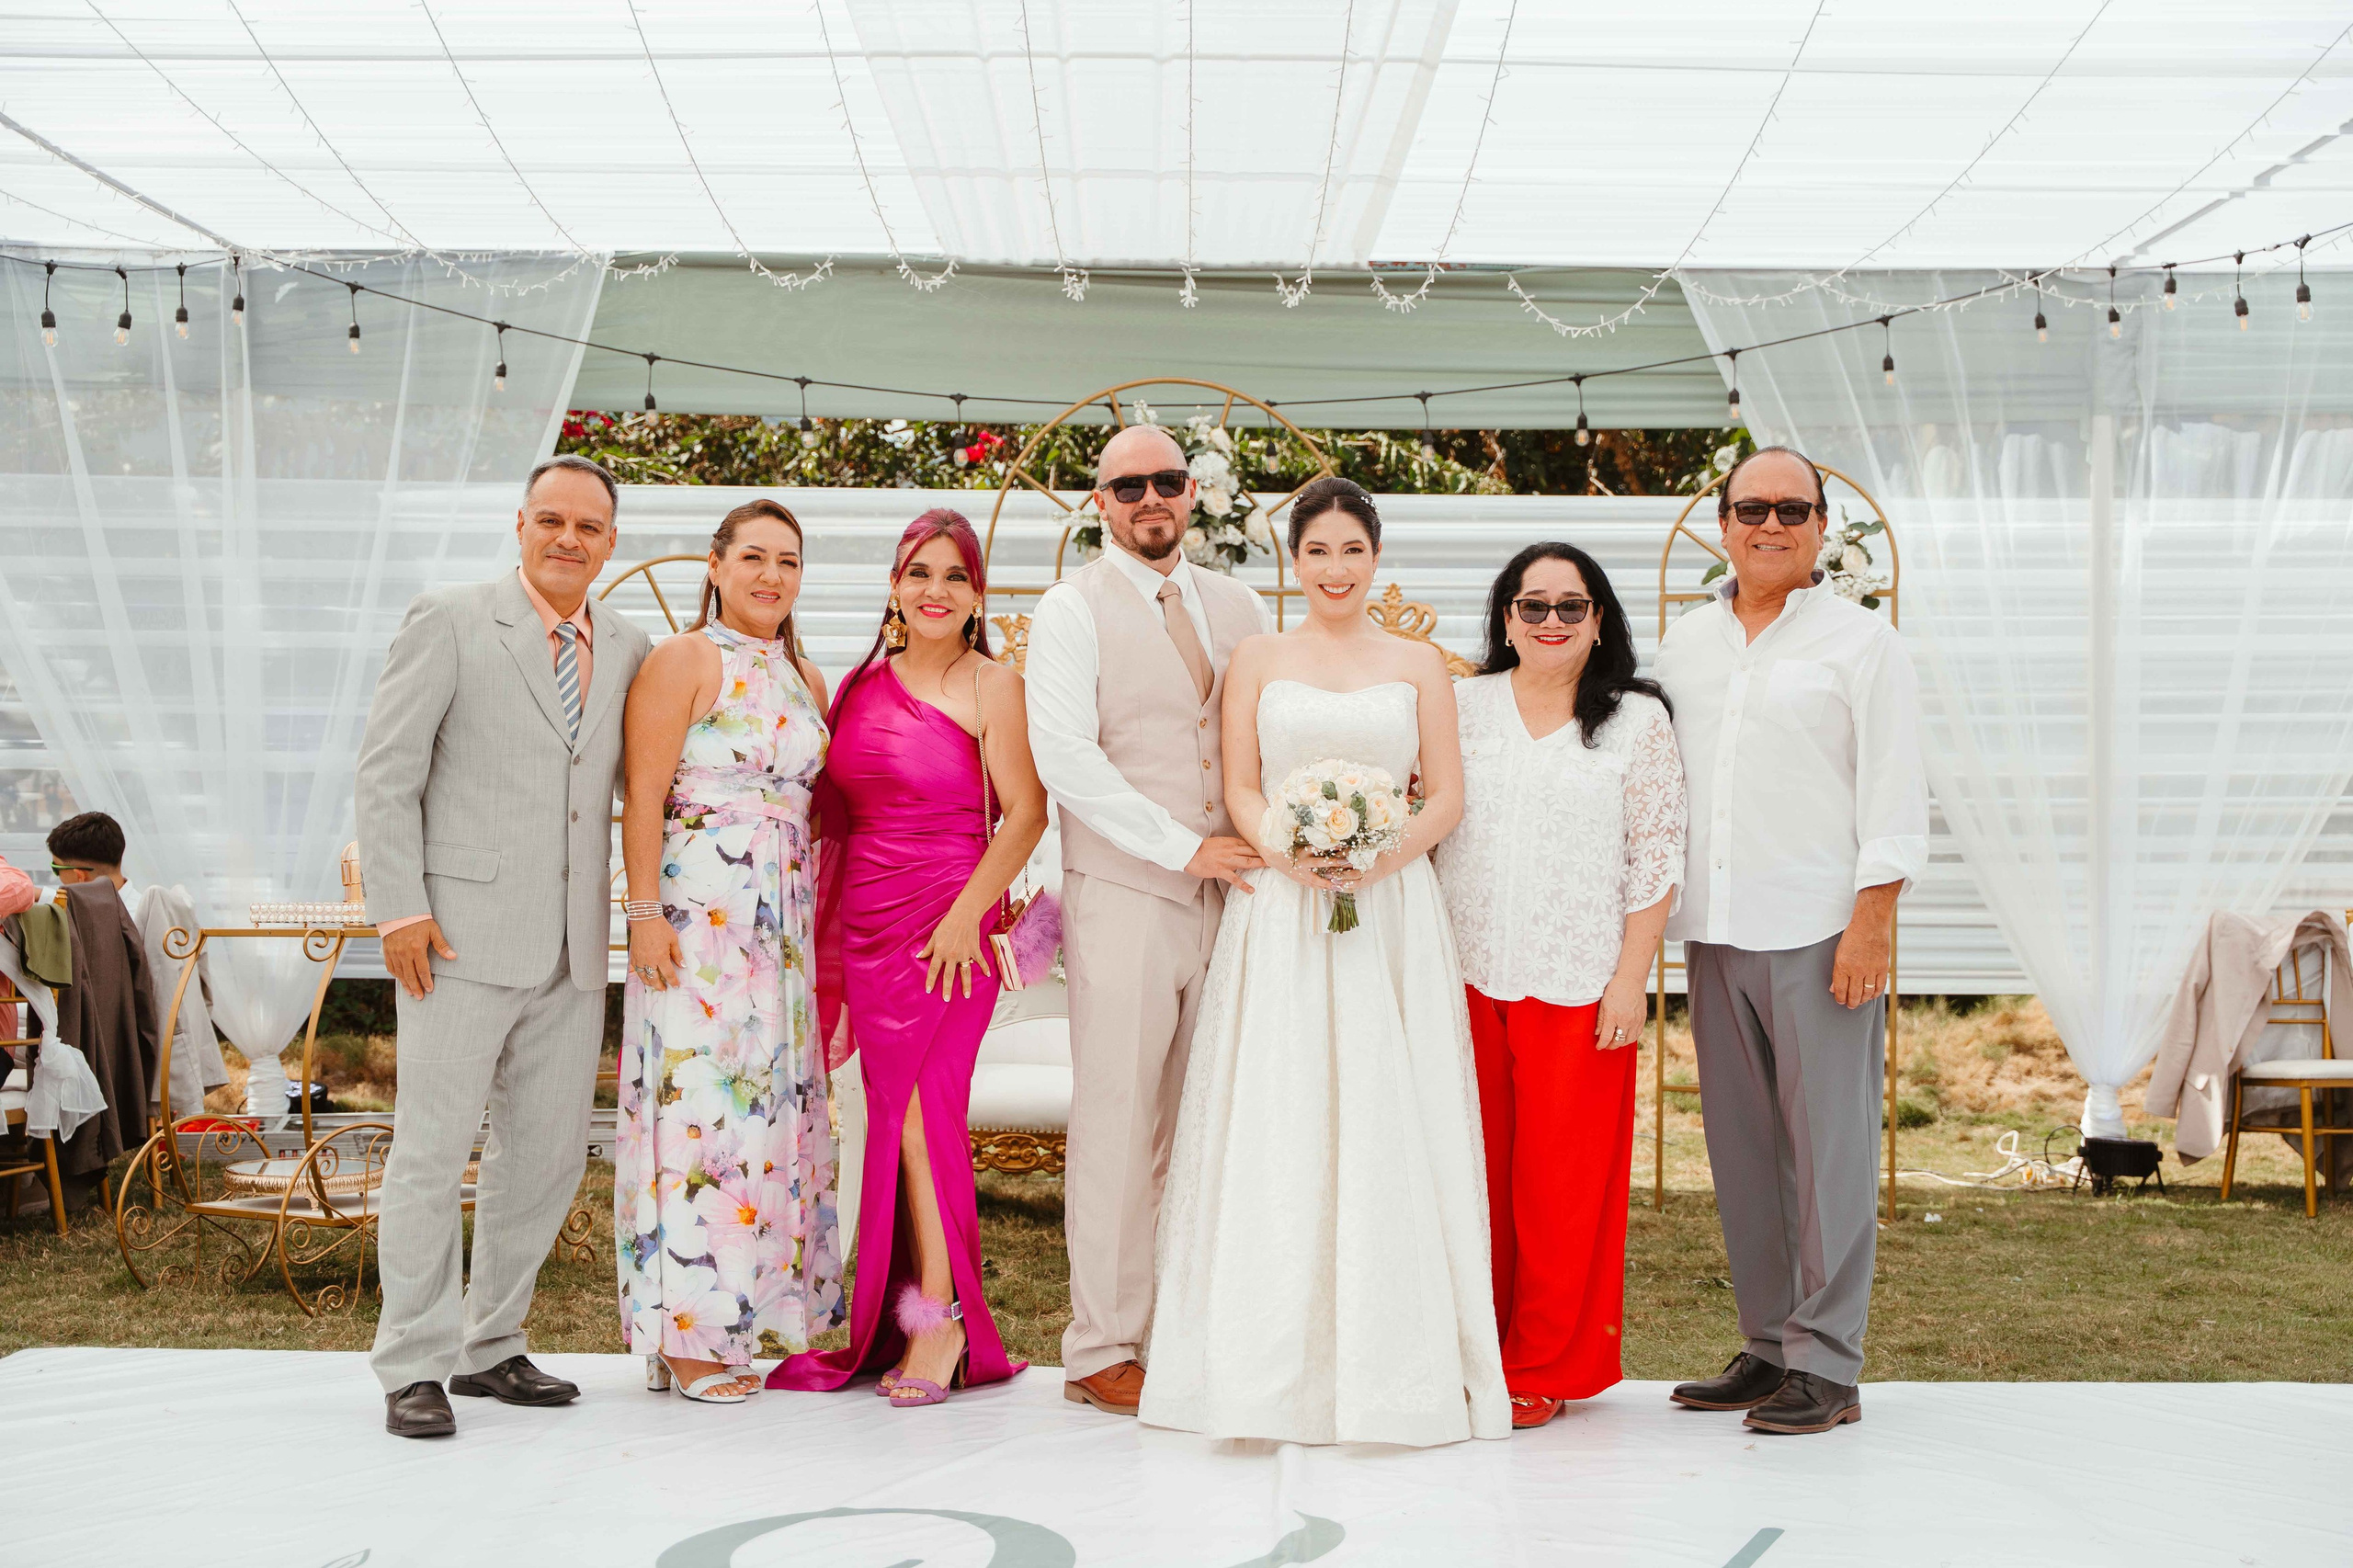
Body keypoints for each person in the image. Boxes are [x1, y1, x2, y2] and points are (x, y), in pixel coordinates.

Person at [1140, 476, 1509, 1448]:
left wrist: (1374, 855)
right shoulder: (1256, 655)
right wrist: (1291, 851)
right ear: (1291, 560)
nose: (1336, 569)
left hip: (1389, 911)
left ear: (1375, 556)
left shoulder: (1418, 661)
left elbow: (1445, 797)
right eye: (1318, 551)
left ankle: (1396, 1358)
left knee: (1392, 1104)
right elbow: (1241, 784)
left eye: (1352, 550)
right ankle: (1267, 1367)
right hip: (1283, 909)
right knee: (1284, 1102)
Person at [356, 453, 653, 1439]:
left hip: (573, 947)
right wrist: (398, 908)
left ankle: (491, 1344)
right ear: (520, 525)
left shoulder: (628, 645)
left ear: (611, 541)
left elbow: (631, 787)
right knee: (433, 1153)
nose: (569, 538)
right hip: (452, 938)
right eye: (552, 520)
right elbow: (387, 770)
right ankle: (413, 1361)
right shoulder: (448, 618)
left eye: (590, 526)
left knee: (548, 1156)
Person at [1653, 446, 1927, 1437]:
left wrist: (1871, 920)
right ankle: (1767, 1343)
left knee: (1830, 1152)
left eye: (1791, 509)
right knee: (1743, 1148)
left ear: (1821, 527)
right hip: (1714, 929)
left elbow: (1895, 791)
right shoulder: (1682, 643)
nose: (1770, 524)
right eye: (1751, 507)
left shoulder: (1863, 644)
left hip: (1820, 929)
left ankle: (1828, 1361)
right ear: (1723, 523)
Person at [771, 508, 1047, 1407]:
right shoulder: (855, 684)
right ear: (894, 587)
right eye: (918, 572)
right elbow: (831, 809)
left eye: (955, 576)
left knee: (926, 1120)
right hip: (869, 928)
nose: (935, 589)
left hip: (949, 928)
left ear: (976, 597)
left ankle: (941, 1317)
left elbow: (1026, 813)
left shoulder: (993, 685)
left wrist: (969, 914)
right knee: (890, 1122)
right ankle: (913, 1311)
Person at [1022, 425, 1270, 1417]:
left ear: (1191, 490)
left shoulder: (1239, 603)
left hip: (1237, 895)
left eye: (1166, 480)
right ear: (1100, 502)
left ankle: (1188, 1327)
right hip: (1127, 890)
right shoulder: (1069, 608)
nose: (1149, 499)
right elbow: (1064, 758)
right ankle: (1100, 1346)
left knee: (1206, 1121)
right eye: (1129, 486)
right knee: (1119, 1123)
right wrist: (1181, 846)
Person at [1435, 543, 1686, 1430]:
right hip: (1461, 975)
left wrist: (1630, 983)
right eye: (1531, 606)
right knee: (1471, 1180)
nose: (1549, 623)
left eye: (1569, 608)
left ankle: (1541, 1364)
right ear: (1505, 618)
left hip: (1579, 983)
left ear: (1600, 620)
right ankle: (1473, 1352)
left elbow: (1656, 860)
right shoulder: (1459, 706)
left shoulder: (1635, 722)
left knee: (1561, 1188)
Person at [615, 499, 842, 1404]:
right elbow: (641, 793)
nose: (770, 575)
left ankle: (754, 1318)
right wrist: (642, 912)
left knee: (768, 1118)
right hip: (698, 919)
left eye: (787, 561)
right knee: (700, 1110)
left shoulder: (803, 676)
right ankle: (689, 1333)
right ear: (715, 563)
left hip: (778, 928)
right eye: (752, 556)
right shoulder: (684, 658)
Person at [46, 811, 229, 1119]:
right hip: (159, 1044)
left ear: (79, 875)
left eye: (55, 869)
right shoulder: (155, 908)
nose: (56, 878)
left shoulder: (112, 925)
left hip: (117, 1048)